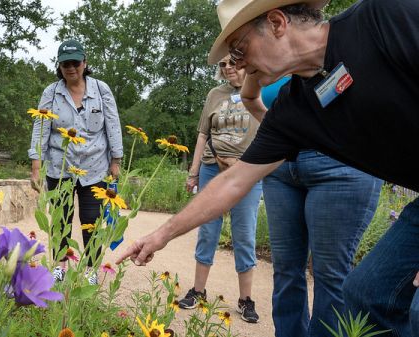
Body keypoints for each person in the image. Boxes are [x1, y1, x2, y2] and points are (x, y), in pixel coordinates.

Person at [116, 0, 419, 335]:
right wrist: (160, 235)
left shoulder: (385, 16)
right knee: (368, 295)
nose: (239, 64)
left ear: (276, 23)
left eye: (240, 49)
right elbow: (234, 181)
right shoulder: (293, 109)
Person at [245, 77, 382, 337]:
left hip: (340, 165)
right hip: (280, 166)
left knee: (330, 275)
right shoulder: (274, 60)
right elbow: (250, 98)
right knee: (285, 271)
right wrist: (282, 134)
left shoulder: (344, 43)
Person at [29, 39, 123, 284]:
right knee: (61, 219)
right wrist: (36, 168)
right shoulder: (51, 93)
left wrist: (116, 161)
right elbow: (40, 129)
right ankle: (59, 267)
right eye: (65, 64)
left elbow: (113, 125)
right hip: (61, 168)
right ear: (59, 66)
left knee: (91, 221)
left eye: (75, 62)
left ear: (85, 62)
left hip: (95, 168)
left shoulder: (101, 90)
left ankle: (91, 270)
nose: (71, 68)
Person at [179, 56, 262, 323]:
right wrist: (193, 173)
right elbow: (203, 134)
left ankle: (245, 300)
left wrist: (246, 163)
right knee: (208, 230)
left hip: (246, 171)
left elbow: (270, 131)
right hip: (212, 170)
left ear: (245, 63)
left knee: (244, 234)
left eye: (233, 62)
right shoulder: (215, 94)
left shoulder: (260, 88)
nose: (227, 67)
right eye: (222, 64)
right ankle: (198, 291)